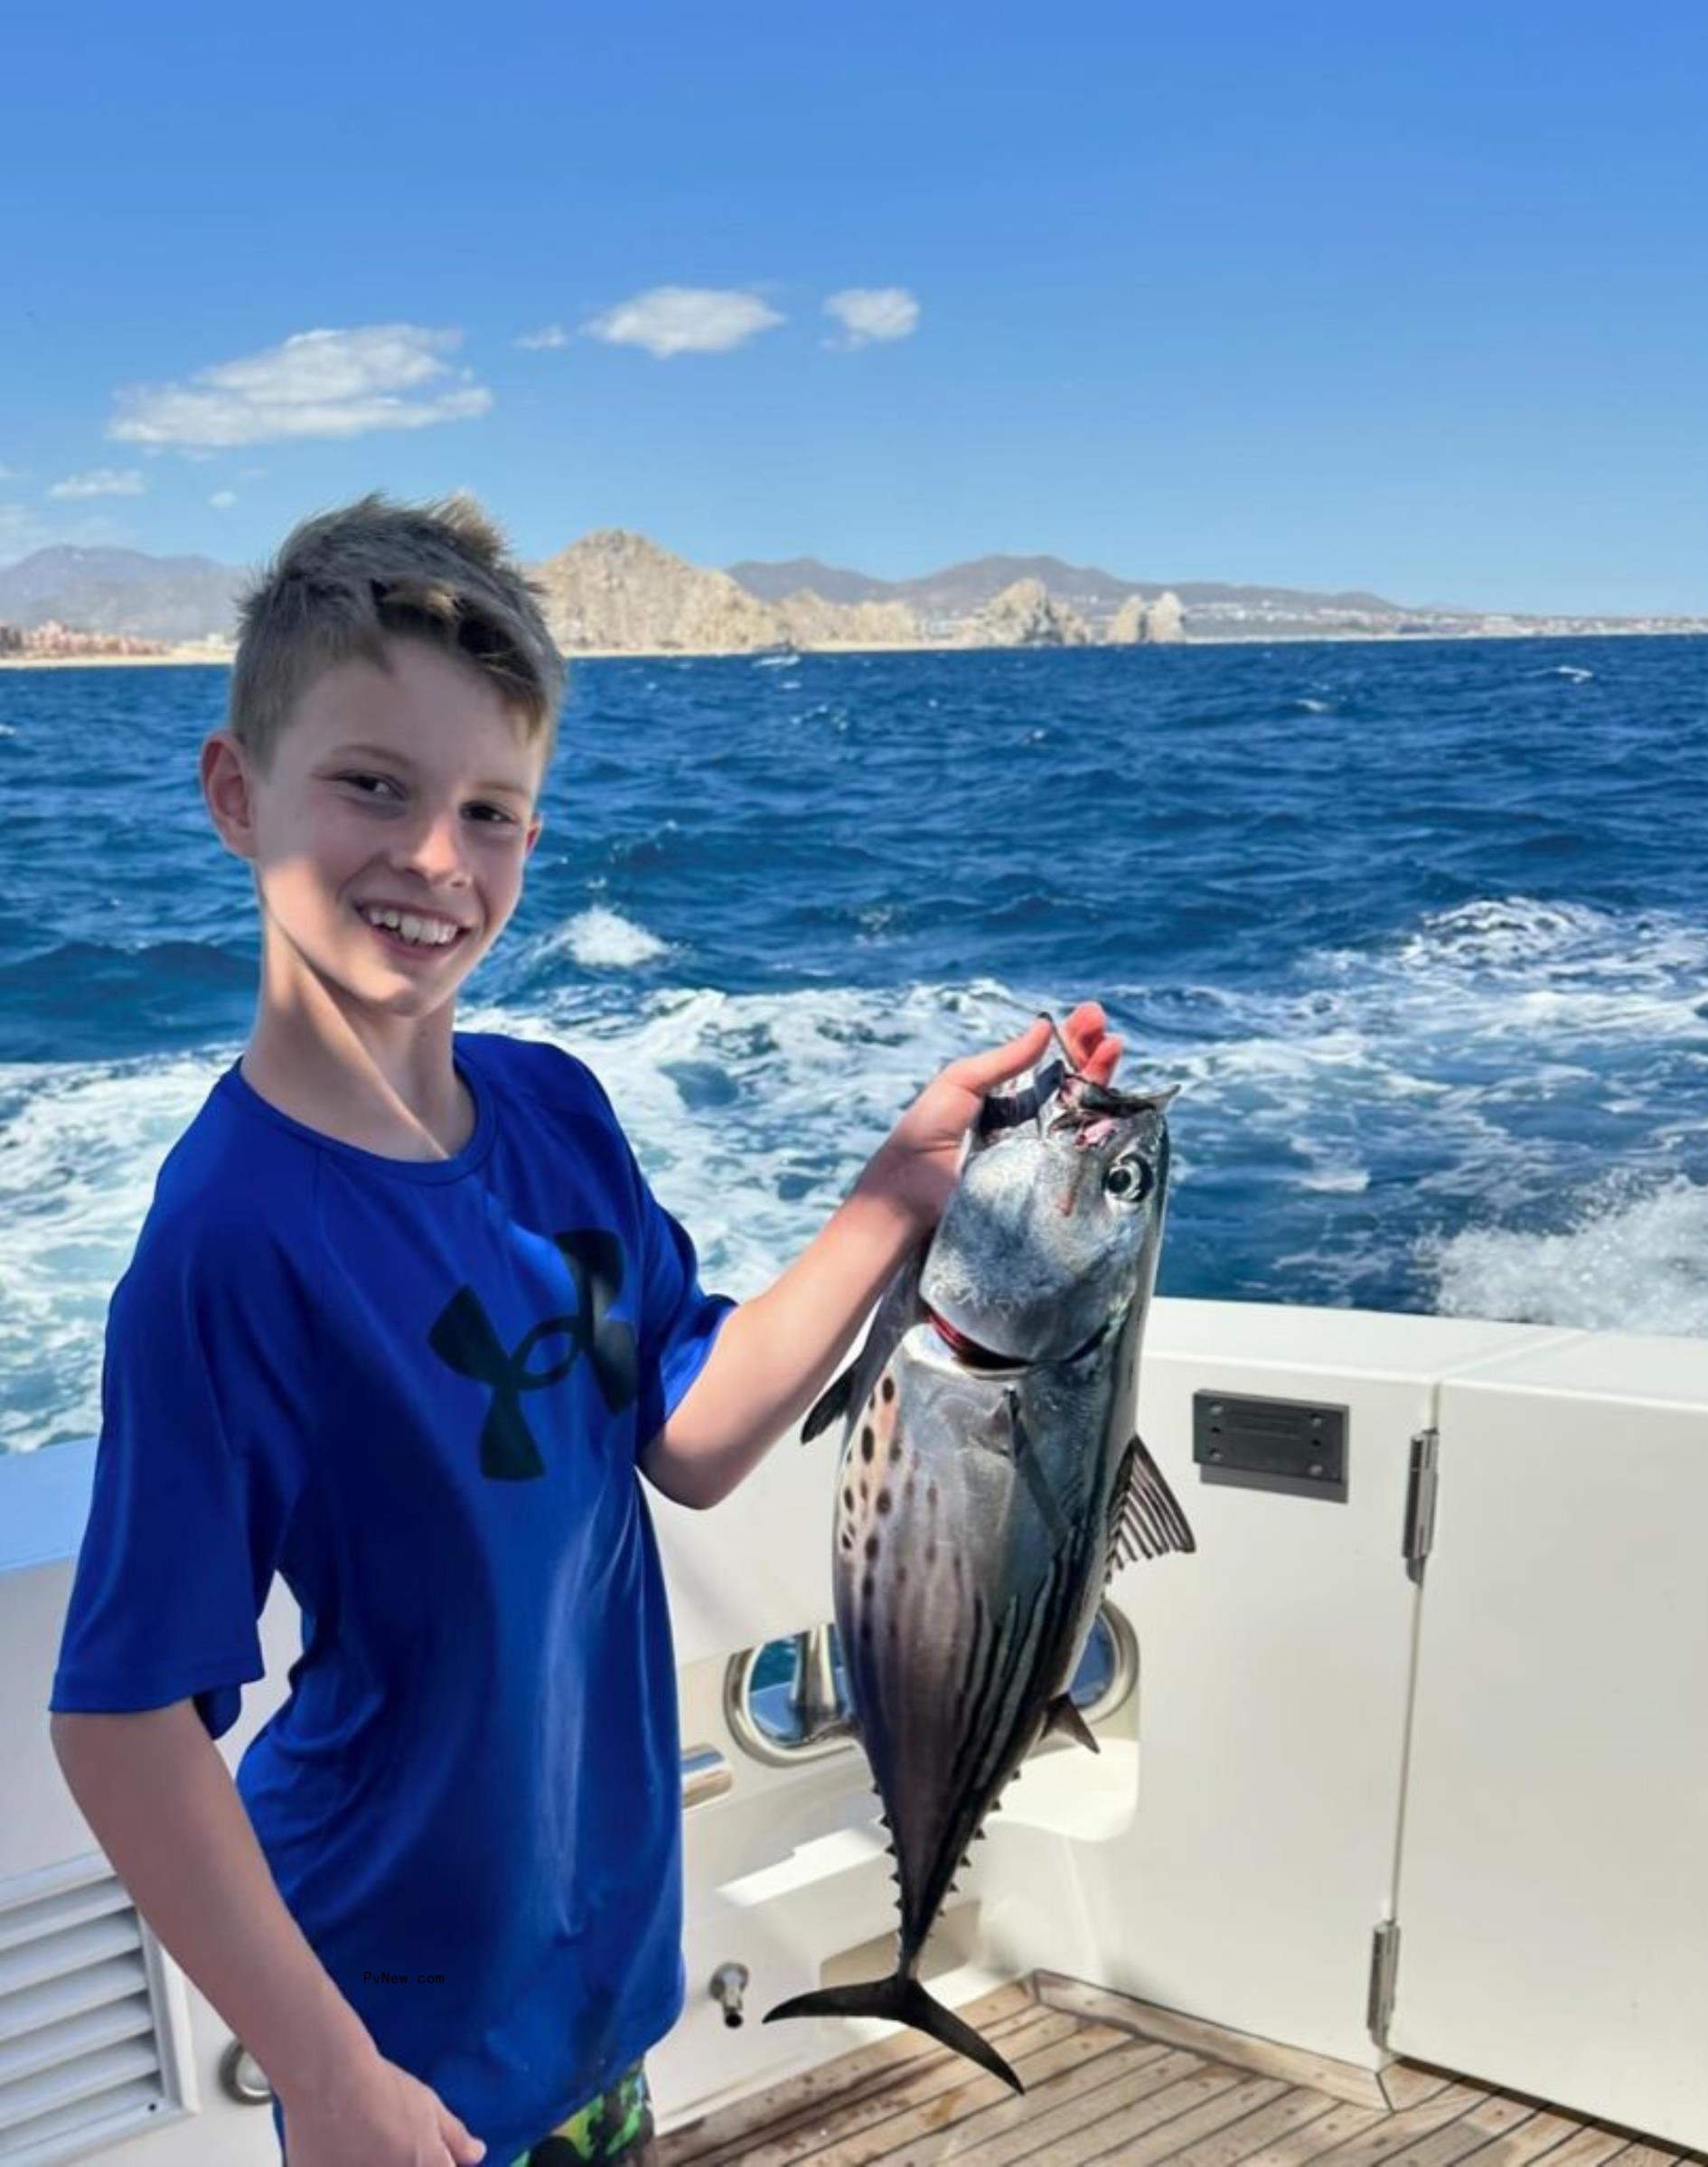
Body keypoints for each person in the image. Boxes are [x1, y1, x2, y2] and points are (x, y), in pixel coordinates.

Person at [44, 490, 1122, 2167]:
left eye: (491, 810)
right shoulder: (230, 1243)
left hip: (595, 1974)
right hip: (398, 2026)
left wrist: (898, 1193)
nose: (433, 859)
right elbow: (120, 1718)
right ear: (235, 792)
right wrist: (326, 2073)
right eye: (372, 787)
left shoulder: (557, 1118)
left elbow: (681, 1434)